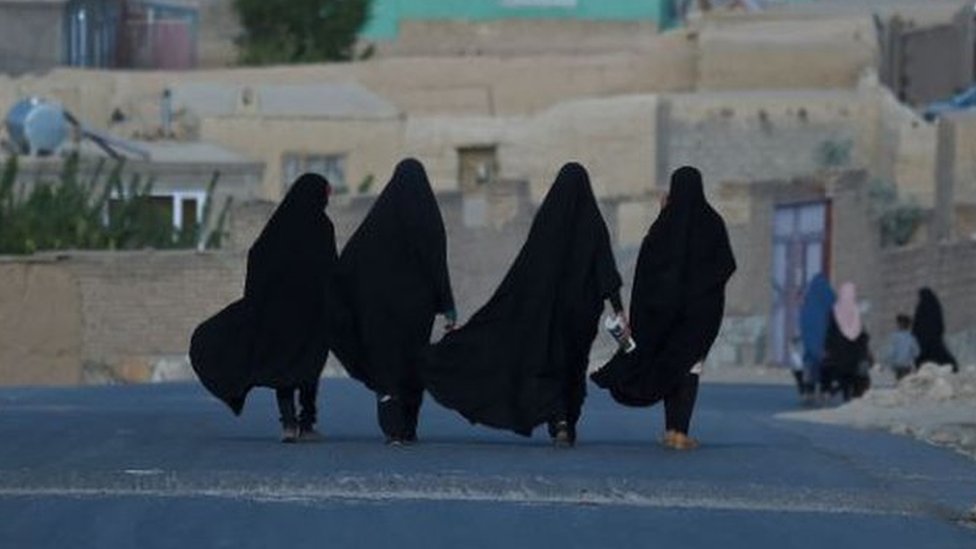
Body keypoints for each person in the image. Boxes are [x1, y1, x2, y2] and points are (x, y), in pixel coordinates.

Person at [422, 163, 624, 447]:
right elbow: (606, 269)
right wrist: (618, 309)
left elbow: (528, 267)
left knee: (547, 361)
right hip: (579, 317)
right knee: (572, 365)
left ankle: (559, 420)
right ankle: (565, 421)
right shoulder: (592, 224)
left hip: (545, 314)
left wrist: (513, 301)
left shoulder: (549, 221)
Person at [591, 166, 736, 450]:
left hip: (661, 315)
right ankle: (678, 431)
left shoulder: (663, 228)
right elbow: (725, 266)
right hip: (699, 316)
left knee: (671, 364)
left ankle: (673, 431)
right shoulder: (712, 223)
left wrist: (641, 311)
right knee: (689, 367)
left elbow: (646, 272)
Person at [189, 174, 337, 442]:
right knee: (307, 368)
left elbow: (257, 257)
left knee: (283, 368)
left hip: (278, 315)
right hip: (311, 315)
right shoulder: (321, 227)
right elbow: (329, 270)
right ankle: (306, 423)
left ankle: (289, 424)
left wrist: (258, 300)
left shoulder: (279, 227)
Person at [330, 159, 456, 445]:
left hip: (380, 311)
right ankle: (408, 427)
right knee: (411, 366)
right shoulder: (428, 219)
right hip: (417, 311)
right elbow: (437, 263)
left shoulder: (378, 222)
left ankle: (393, 428)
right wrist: (447, 306)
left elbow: (351, 264)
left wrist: (342, 296)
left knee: (387, 366)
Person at [822, 282, 872, 401]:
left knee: (843, 373)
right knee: (853, 374)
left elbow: (830, 331)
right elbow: (861, 331)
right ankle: (850, 395)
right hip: (854, 349)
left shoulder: (835, 311)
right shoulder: (855, 310)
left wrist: (828, 346)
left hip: (839, 349)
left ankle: (843, 393)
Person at [800, 273, 836, 400]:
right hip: (826, 341)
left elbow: (802, 324)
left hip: (810, 344)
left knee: (810, 365)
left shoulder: (807, 302)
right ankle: (825, 390)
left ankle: (808, 390)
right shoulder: (828, 296)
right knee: (826, 364)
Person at [912, 287, 958, 373]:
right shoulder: (934, 305)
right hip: (933, 338)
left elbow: (917, 323)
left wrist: (915, 334)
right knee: (938, 353)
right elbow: (939, 322)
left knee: (925, 356)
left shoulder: (921, 307)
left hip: (924, 339)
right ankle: (950, 367)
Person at [886, 314, 920, 381]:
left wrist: (889, 362)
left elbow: (891, 352)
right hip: (907, 365)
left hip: (897, 365)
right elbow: (916, 352)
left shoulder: (894, 337)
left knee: (899, 381)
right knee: (906, 383)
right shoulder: (911, 337)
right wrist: (910, 358)